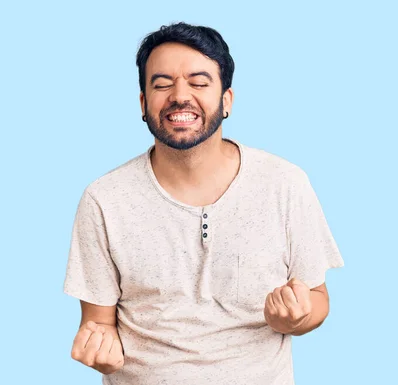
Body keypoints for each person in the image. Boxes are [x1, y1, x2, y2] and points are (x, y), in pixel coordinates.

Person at [63, 22, 344, 385]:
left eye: (199, 82)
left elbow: (317, 298)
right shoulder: (104, 199)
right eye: (162, 84)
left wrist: (296, 319)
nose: (180, 96)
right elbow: (98, 321)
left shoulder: (284, 183)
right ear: (143, 103)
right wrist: (99, 349)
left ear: (226, 100)